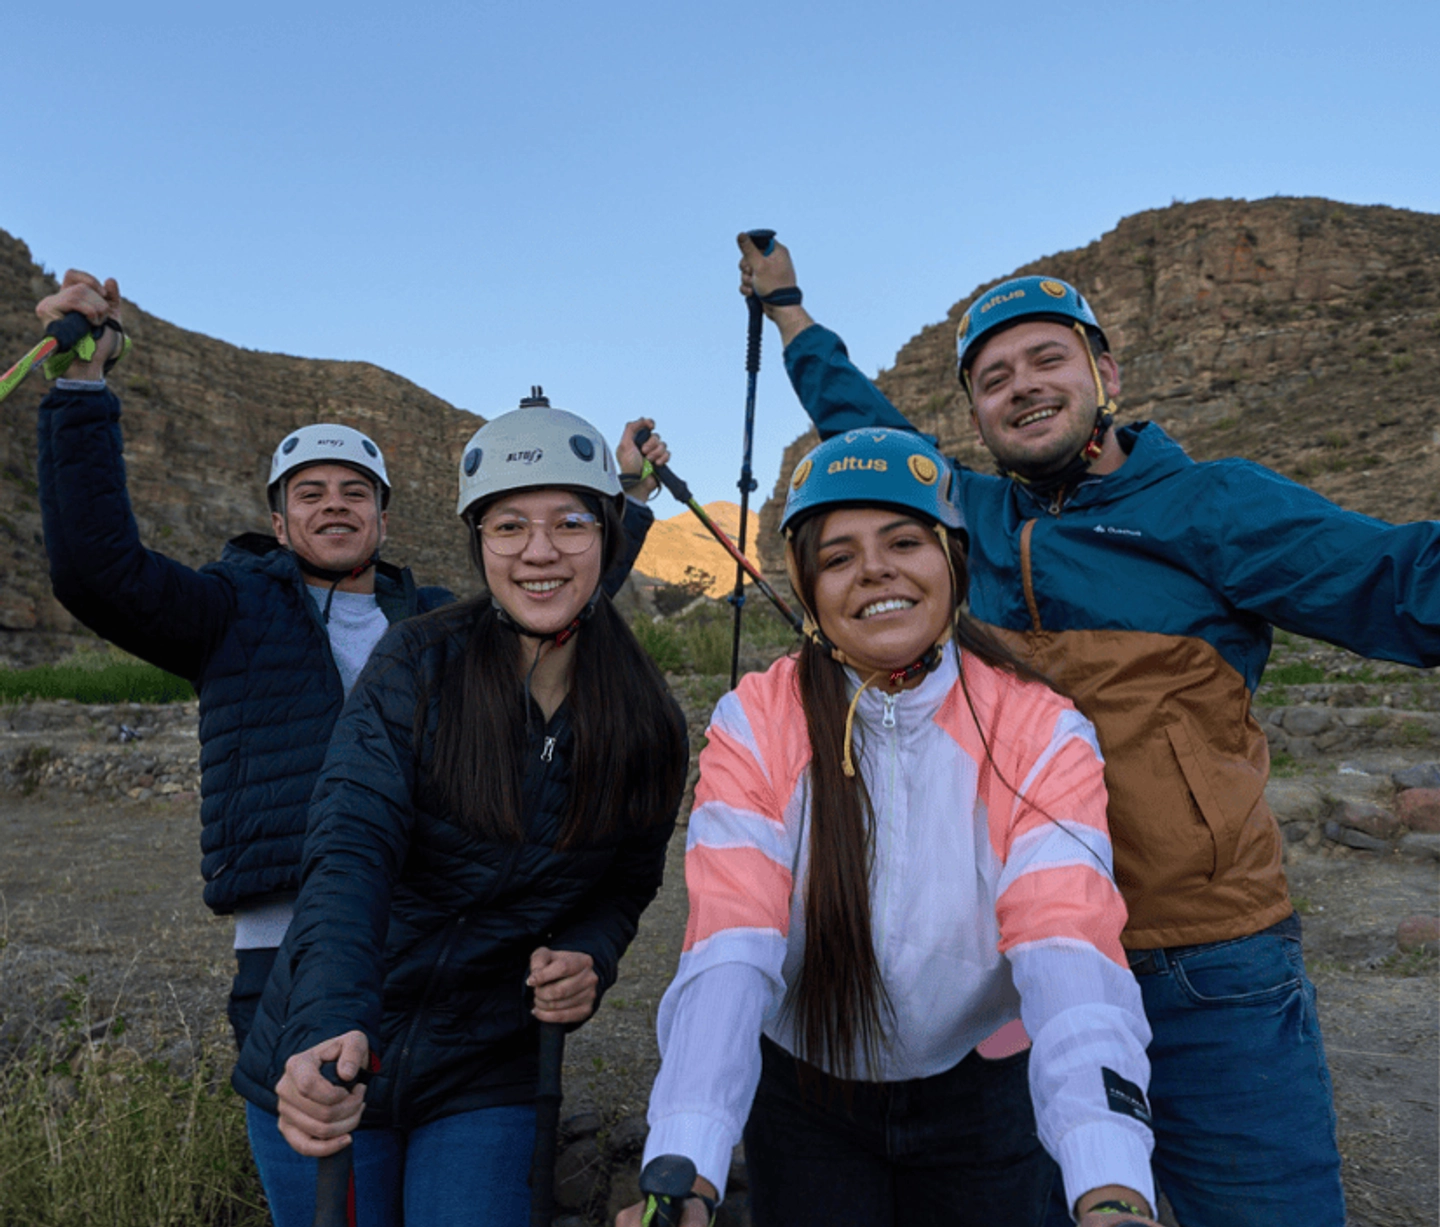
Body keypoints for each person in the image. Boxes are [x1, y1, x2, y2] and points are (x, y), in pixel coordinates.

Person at [737, 235, 1440, 1227]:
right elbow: (856, 413)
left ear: (1104, 374)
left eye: (1046, 360)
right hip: (1018, 972)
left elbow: (1401, 582)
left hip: (1203, 962)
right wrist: (789, 306)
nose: (1021, 388)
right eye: (992, 378)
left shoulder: (1214, 507)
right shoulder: (961, 519)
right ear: (976, 411)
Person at [33, 270, 669, 1052]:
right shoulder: (226, 610)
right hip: (284, 944)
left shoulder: (440, 620)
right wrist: (82, 390)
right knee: (314, 1139)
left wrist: (624, 502)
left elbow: (557, 594)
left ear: (384, 516)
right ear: (277, 517)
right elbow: (99, 572)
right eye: (310, 492)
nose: (334, 503)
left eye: (355, 490)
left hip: (441, 935)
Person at [620, 429, 1160, 1227]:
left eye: (904, 541)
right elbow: (729, 945)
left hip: (982, 1090)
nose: (874, 569)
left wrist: (1110, 1182)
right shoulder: (754, 723)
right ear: (808, 587)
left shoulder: (1040, 730)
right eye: (838, 557)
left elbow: (1069, 947)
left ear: (952, 561)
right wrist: (687, 1163)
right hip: (804, 1098)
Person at [232, 401, 689, 1226]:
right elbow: (348, 850)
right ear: (479, 543)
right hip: (331, 1043)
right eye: (509, 524)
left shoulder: (646, 720)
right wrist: (331, 1020)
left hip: (487, 1067)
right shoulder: (418, 662)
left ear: (609, 535)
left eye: (571, 522)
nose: (540, 550)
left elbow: (626, 884)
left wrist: (590, 952)